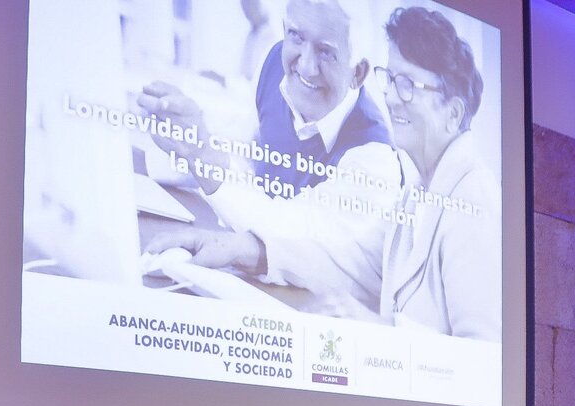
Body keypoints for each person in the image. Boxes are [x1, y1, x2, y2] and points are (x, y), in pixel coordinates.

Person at [136, 0, 407, 312]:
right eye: (296, 36)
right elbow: (247, 154)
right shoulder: (275, 68)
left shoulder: (374, 158)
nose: (305, 66)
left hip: (310, 317)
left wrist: (203, 157)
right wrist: (182, 146)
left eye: (326, 51)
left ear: (357, 73)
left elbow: (292, 235)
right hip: (251, 279)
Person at [375, 5, 500, 340]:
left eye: (407, 84)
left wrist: (377, 331)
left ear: (453, 113)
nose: (388, 96)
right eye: (388, 78)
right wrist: (256, 252)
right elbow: (359, 260)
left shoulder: (473, 198)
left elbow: (481, 353)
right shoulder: (415, 193)